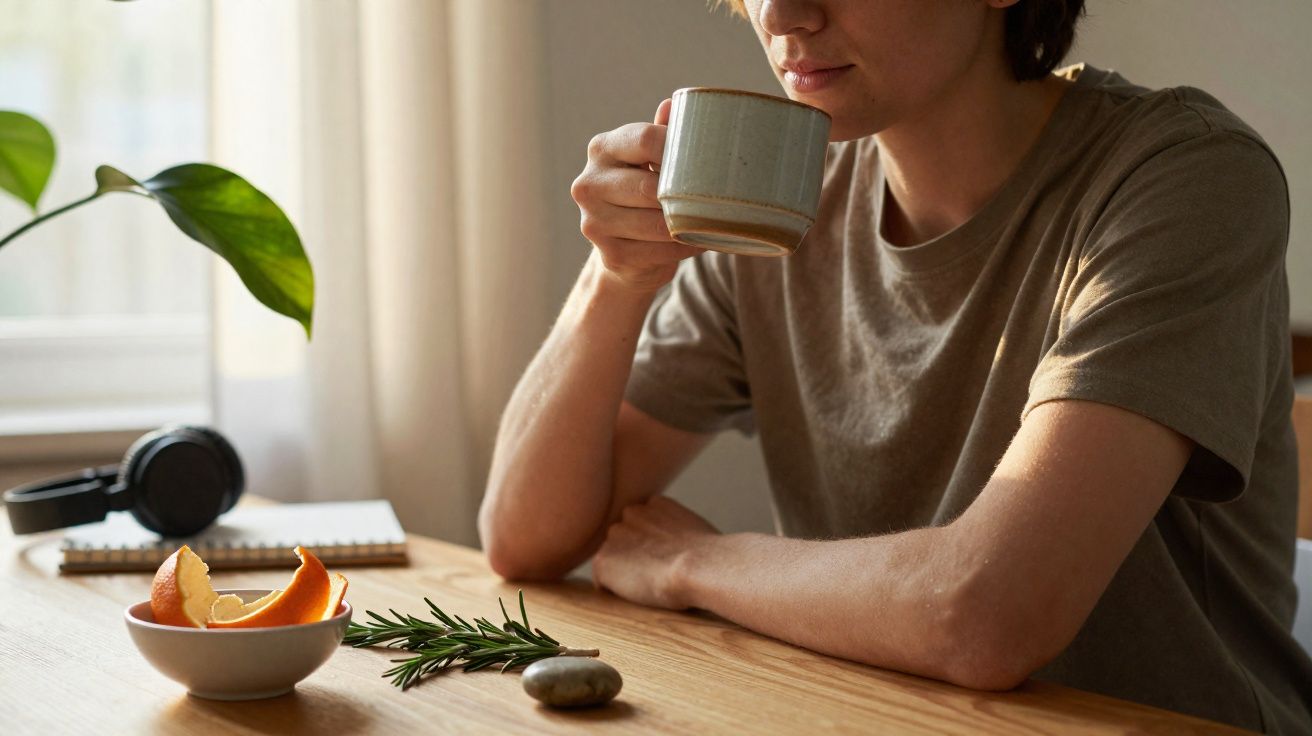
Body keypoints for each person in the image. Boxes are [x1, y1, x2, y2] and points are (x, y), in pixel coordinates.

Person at [477, 1, 1312, 732]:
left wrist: (692, 562)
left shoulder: (1184, 179)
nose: (782, 15)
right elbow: (524, 538)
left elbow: (987, 615)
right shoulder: (781, 199)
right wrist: (616, 279)